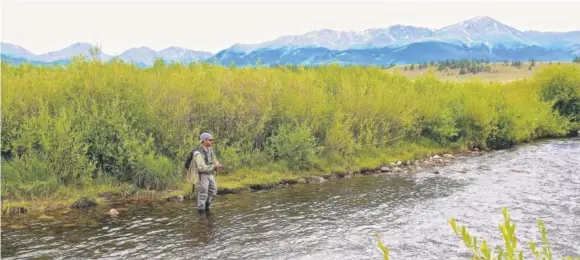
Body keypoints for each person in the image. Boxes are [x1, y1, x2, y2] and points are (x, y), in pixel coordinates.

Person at [184, 132, 222, 211]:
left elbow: (214, 158)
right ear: (204, 140)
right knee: (203, 194)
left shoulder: (210, 149)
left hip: (210, 174)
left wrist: (217, 163)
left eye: (212, 140)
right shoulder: (198, 153)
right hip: (202, 176)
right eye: (210, 140)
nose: (212, 141)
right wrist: (214, 166)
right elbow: (201, 168)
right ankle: (201, 212)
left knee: (213, 191)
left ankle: (207, 207)